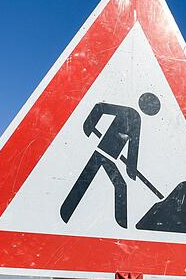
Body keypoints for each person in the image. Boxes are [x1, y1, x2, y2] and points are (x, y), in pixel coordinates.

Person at [60, 93, 161, 227]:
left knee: (114, 184)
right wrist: (89, 127)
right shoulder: (131, 114)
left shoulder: (135, 118)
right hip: (101, 153)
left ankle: (121, 225)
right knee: (90, 181)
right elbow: (101, 108)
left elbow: (133, 146)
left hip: (107, 157)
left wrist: (131, 169)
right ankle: (65, 212)